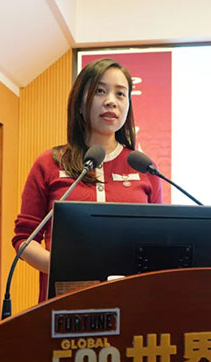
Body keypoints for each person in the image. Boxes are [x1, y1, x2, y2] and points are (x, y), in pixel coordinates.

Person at [12, 58, 163, 302]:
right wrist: (63, 267)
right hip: (65, 304)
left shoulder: (144, 168)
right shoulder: (50, 163)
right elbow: (24, 239)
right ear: (80, 103)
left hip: (130, 303)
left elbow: (157, 242)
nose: (111, 101)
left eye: (120, 94)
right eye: (100, 91)